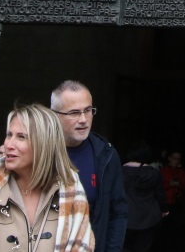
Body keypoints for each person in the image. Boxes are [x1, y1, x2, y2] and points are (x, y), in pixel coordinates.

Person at [0, 103, 93, 251]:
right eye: (9, 135)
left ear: (44, 143)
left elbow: (82, 245)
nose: (9, 144)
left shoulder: (71, 189)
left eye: (21, 137)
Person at [52, 80, 129, 252]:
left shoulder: (106, 155)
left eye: (88, 110)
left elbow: (118, 212)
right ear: (54, 115)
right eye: (74, 113)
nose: (83, 120)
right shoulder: (39, 153)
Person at [122, 143, 166, 252]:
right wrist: (165, 210)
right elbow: (160, 194)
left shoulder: (121, 172)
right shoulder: (154, 173)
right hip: (149, 218)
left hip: (126, 218)